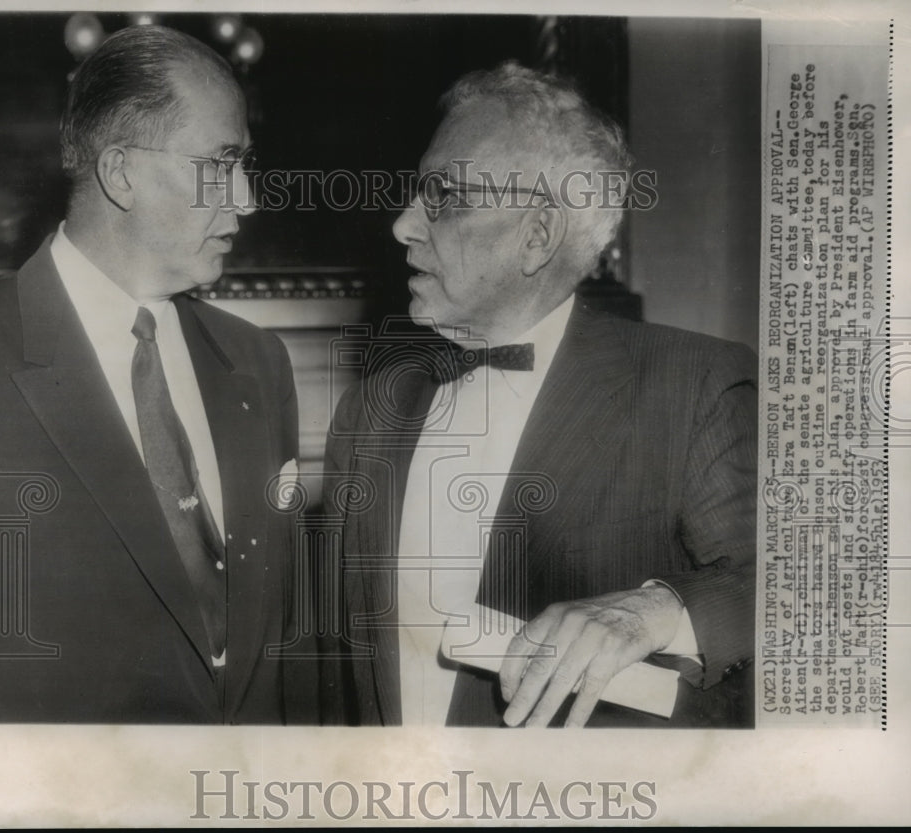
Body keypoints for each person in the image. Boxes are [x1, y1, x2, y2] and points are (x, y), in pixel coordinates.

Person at [320, 62, 756, 728]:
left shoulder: (693, 387)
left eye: (443, 196)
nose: (403, 225)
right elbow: (336, 671)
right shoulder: (370, 410)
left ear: (537, 236)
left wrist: (657, 609)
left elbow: (801, 594)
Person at [0, 25, 307, 723]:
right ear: (121, 172)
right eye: (220, 164)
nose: (248, 198)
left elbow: (285, 647)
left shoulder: (259, 362)